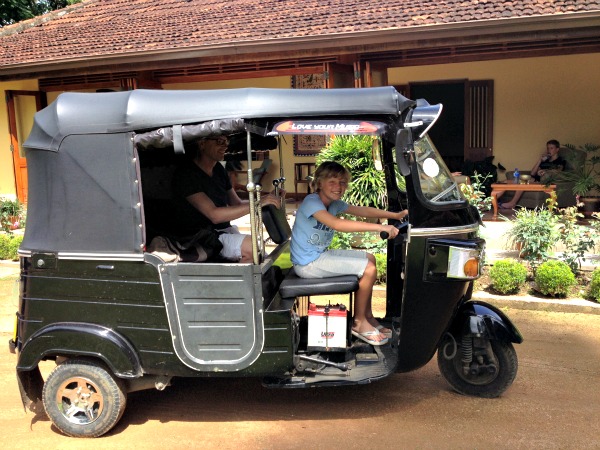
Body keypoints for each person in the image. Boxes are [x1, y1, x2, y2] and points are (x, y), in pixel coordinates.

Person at [290, 161, 408, 346]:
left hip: (319, 255)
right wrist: (379, 227)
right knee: (368, 269)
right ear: (319, 183)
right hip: (308, 264)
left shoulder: (334, 203)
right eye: (332, 182)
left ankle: (367, 316)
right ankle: (359, 323)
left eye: (343, 182)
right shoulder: (311, 202)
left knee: (370, 258)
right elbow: (339, 225)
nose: (338, 187)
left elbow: (361, 210)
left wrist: (395, 215)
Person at [171, 134, 280, 263]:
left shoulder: (218, 170)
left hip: (221, 232)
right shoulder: (186, 175)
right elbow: (214, 215)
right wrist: (259, 202)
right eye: (219, 141)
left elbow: (237, 203)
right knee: (252, 247)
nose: (225, 145)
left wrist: (267, 199)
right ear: (202, 144)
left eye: (226, 141)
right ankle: (242, 283)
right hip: (198, 238)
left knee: (261, 252)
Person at [496, 139, 565, 210]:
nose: (549, 150)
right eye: (548, 148)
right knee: (505, 182)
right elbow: (532, 173)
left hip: (541, 182)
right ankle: (489, 203)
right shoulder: (545, 161)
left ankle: (512, 203)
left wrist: (546, 171)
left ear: (557, 149)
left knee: (522, 183)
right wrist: (540, 160)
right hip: (533, 179)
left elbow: (559, 170)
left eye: (551, 148)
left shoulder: (560, 160)